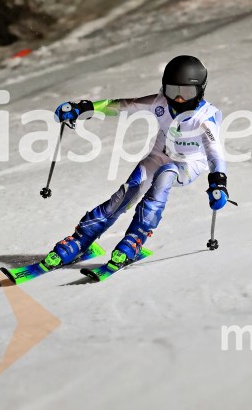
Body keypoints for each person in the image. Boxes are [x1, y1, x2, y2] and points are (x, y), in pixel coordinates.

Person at [48, 55, 229, 271]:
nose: (179, 99)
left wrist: (218, 181)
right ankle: (81, 239)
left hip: (189, 164)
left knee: (166, 174)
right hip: (159, 155)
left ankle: (134, 239)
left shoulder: (206, 117)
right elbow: (122, 106)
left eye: (187, 92)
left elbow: (215, 153)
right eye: (173, 91)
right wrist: (83, 108)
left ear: (200, 90)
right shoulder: (160, 103)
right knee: (128, 191)